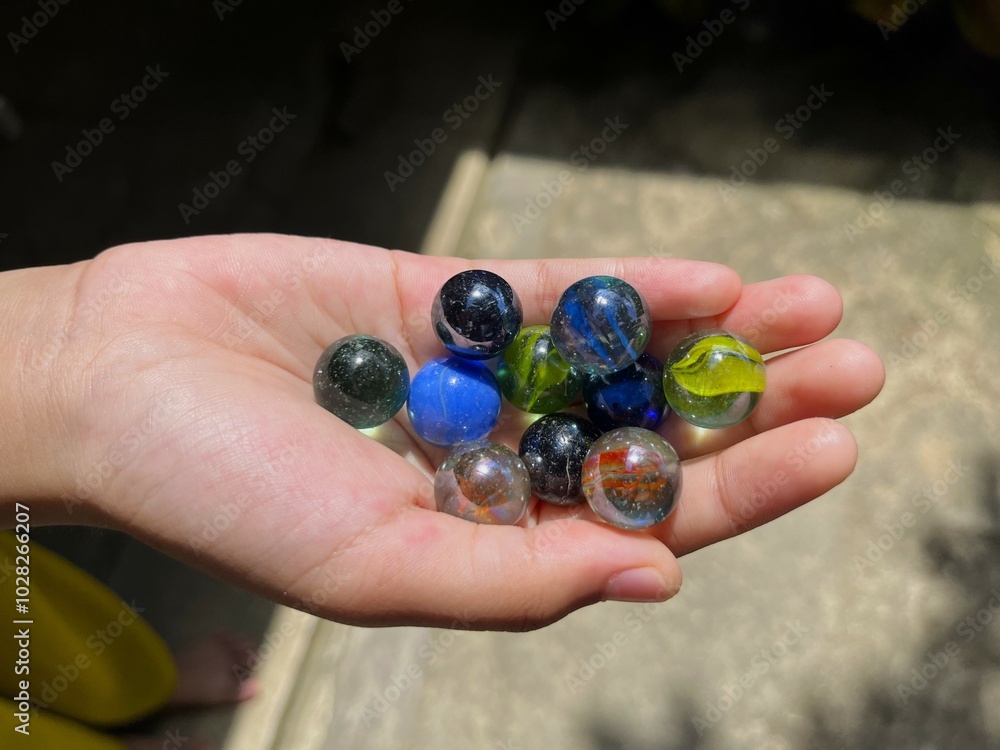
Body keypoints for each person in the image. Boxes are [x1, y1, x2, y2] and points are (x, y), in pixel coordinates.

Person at [0, 234, 884, 631]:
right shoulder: (466, 387)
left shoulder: (611, 398)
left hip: (595, 428)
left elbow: (597, 391)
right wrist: (86, 358)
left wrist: (83, 347)